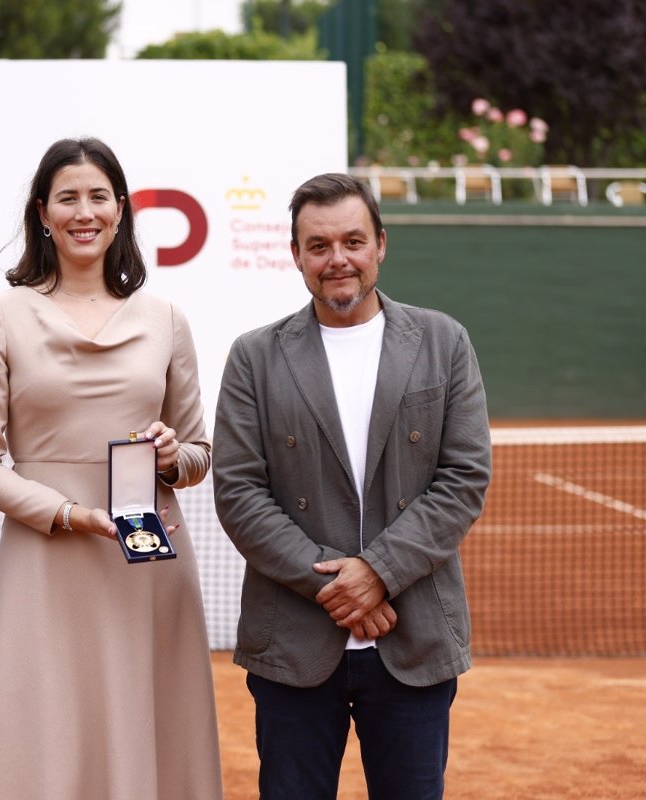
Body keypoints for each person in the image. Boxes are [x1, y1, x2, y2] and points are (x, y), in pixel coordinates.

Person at [0, 137, 223, 799]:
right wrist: (66, 514)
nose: (85, 211)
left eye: (99, 196)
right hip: (45, 561)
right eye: (68, 197)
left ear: (121, 210)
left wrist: (171, 456)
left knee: (149, 729)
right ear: (42, 213)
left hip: (147, 564)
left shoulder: (165, 318)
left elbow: (198, 455)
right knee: (44, 730)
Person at [212, 172, 492, 800]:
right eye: (318, 245)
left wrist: (379, 573)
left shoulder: (444, 342)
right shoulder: (253, 357)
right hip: (292, 644)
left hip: (413, 638)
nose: (337, 259)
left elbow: (463, 477)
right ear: (296, 256)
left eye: (352, 241)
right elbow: (238, 492)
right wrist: (340, 588)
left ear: (380, 245)